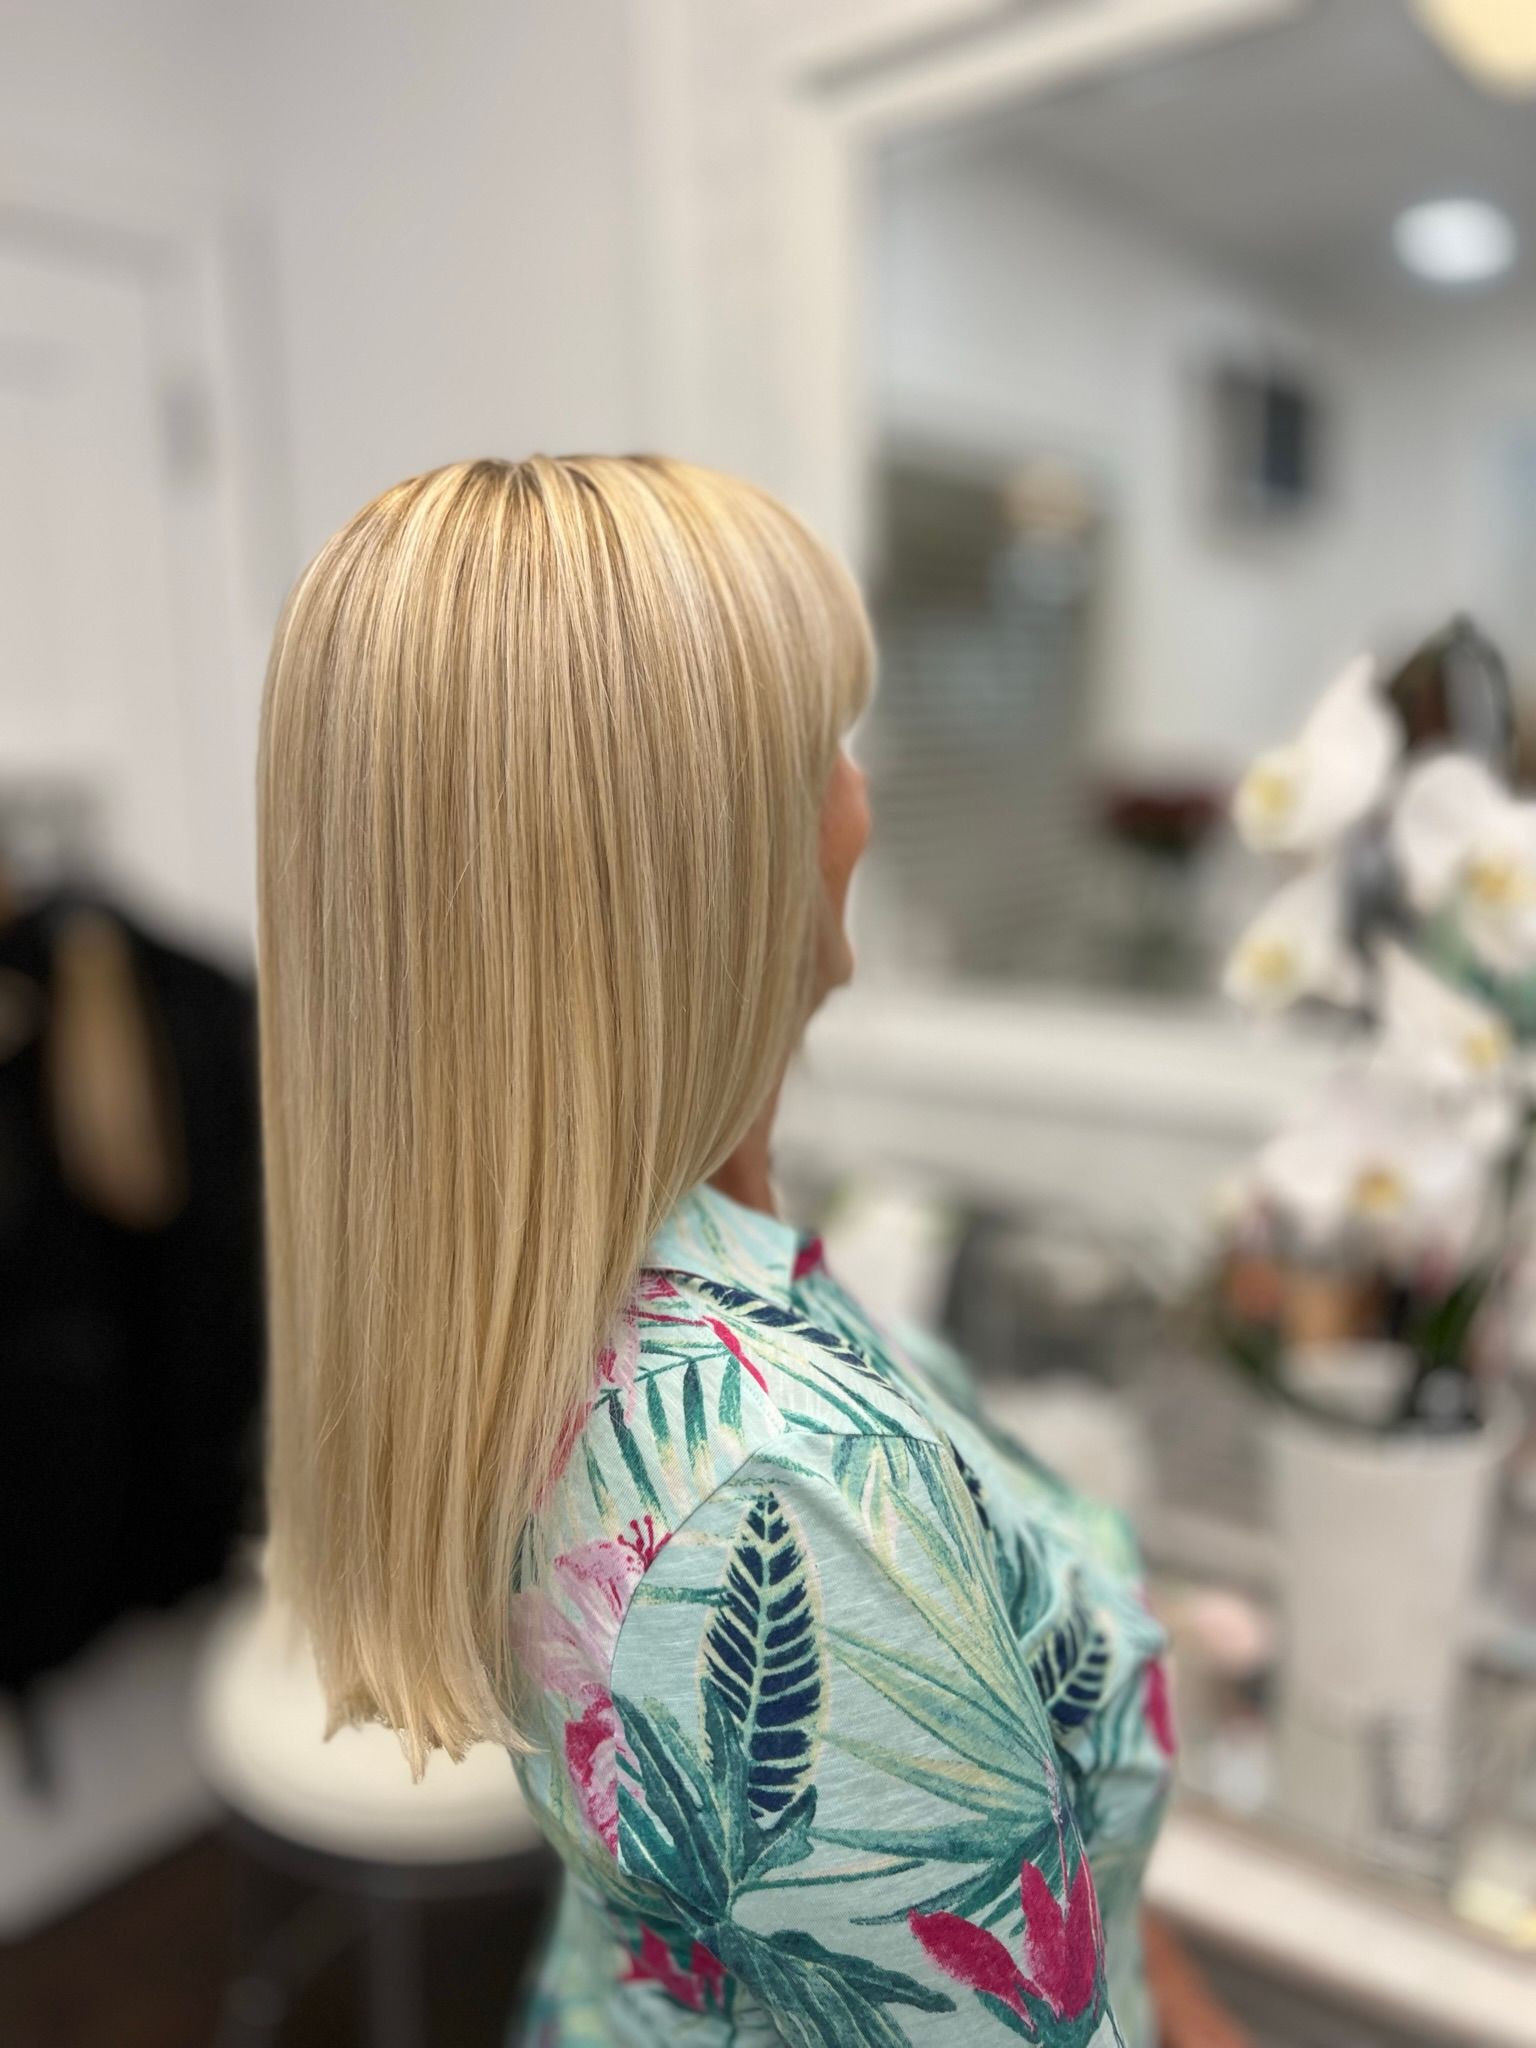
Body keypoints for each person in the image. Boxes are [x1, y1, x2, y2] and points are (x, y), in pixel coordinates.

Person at [258, 455, 1244, 2046]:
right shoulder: (779, 1504)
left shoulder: (565, 1290)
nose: (862, 803)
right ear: (704, 869)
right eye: (829, 752)